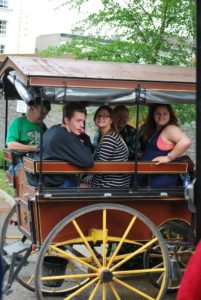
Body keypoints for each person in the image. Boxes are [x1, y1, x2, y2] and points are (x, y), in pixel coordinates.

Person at [27, 102, 93, 188]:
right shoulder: (64, 136)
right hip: (53, 184)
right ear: (66, 120)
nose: (82, 125)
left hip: (40, 180)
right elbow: (88, 161)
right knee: (87, 186)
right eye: (78, 121)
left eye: (83, 121)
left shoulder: (54, 129)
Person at [138, 104, 192, 188]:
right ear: (153, 115)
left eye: (165, 113)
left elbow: (186, 141)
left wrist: (169, 158)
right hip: (149, 180)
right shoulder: (157, 130)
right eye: (158, 113)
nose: (161, 116)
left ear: (170, 115)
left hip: (160, 182)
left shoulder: (170, 129)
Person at [82, 105, 130, 188]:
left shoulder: (109, 138)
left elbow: (100, 168)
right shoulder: (110, 135)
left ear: (111, 120)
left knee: (77, 185)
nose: (101, 118)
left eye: (105, 116)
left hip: (113, 184)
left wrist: (90, 185)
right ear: (95, 118)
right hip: (111, 180)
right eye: (99, 115)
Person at [6, 98, 51, 174]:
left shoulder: (43, 127)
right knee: (32, 175)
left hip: (38, 161)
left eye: (45, 114)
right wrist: (34, 148)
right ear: (32, 108)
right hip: (19, 163)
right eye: (42, 113)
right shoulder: (17, 123)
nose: (44, 117)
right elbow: (11, 145)